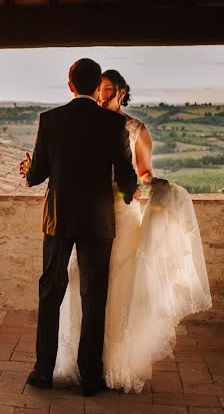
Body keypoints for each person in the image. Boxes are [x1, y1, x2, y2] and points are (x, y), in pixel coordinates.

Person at [53, 69, 212, 394]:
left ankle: (114, 363)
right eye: (99, 89)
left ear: (123, 91)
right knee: (83, 284)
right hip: (89, 215)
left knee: (119, 288)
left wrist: (157, 185)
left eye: (109, 89)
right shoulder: (88, 124)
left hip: (123, 215)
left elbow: (143, 173)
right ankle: (82, 363)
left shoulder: (136, 129)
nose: (103, 95)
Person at [20, 58, 138, 396]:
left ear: (70, 85)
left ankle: (43, 371)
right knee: (94, 297)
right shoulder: (113, 124)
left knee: (50, 292)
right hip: (98, 221)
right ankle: (90, 377)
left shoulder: (51, 120)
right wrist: (132, 194)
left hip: (59, 219)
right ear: (96, 86)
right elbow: (126, 176)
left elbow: (38, 173)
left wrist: (28, 168)